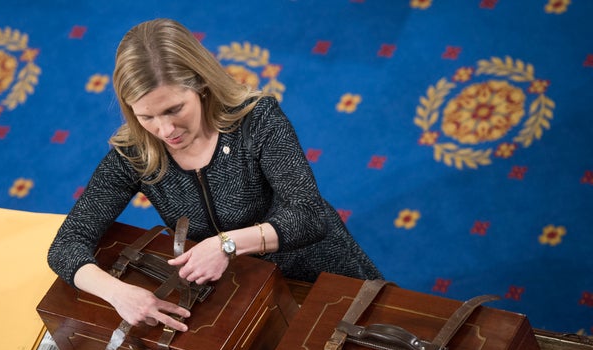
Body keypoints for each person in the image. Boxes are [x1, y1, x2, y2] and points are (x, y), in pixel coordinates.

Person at [47, 18, 382, 333]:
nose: (165, 130)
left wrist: (227, 245)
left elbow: (309, 217)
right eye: (147, 116)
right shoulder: (136, 153)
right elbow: (66, 246)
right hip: (237, 295)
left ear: (202, 86)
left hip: (315, 272)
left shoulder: (257, 120)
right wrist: (118, 293)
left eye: (174, 109)